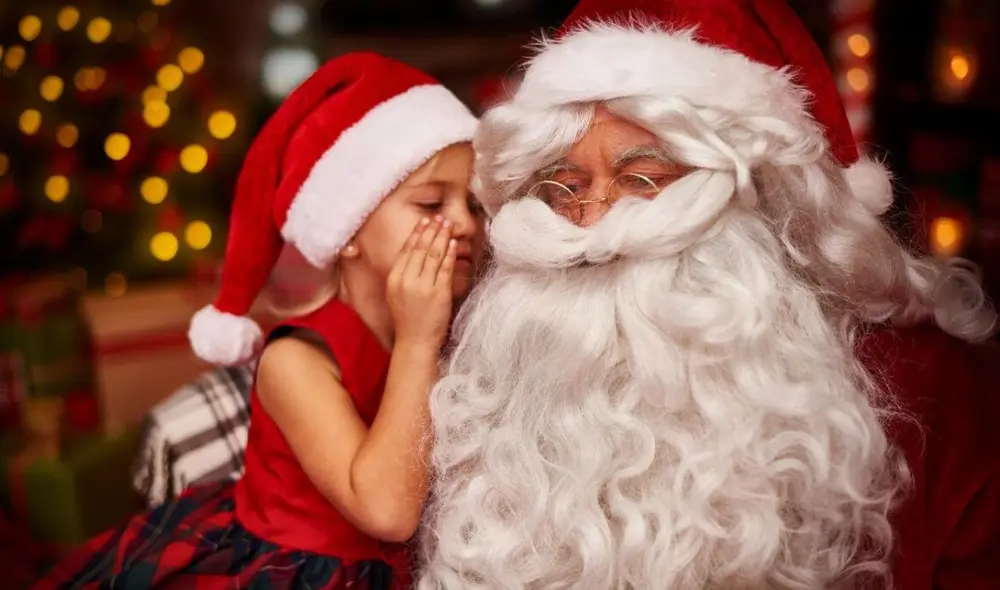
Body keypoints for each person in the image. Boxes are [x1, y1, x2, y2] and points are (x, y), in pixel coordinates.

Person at [418, 1, 1000, 588]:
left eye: (644, 180)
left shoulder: (931, 387)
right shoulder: (486, 388)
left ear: (767, 201)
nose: (594, 222)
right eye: (565, 189)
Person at [34, 52, 484, 589]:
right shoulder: (295, 360)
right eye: (431, 204)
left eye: (475, 205)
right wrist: (417, 341)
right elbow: (387, 513)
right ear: (348, 232)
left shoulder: (463, 334)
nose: (464, 224)